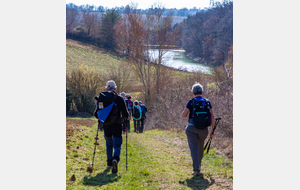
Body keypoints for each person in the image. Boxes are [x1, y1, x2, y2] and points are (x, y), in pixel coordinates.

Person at [94, 80, 129, 173]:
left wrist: (102, 118)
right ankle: (115, 159)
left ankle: (109, 163)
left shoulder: (101, 98)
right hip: (117, 125)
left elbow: (96, 114)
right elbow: (126, 113)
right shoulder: (119, 98)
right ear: (115, 88)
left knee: (109, 144)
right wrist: (126, 118)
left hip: (106, 126)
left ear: (106, 88)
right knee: (117, 144)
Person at [181, 83, 215, 176]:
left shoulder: (191, 102)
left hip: (191, 128)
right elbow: (212, 117)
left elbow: (183, 116)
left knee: (194, 148)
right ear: (202, 92)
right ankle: (198, 166)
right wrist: (212, 131)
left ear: (193, 92)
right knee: (200, 148)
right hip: (204, 129)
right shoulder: (207, 102)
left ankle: (196, 170)